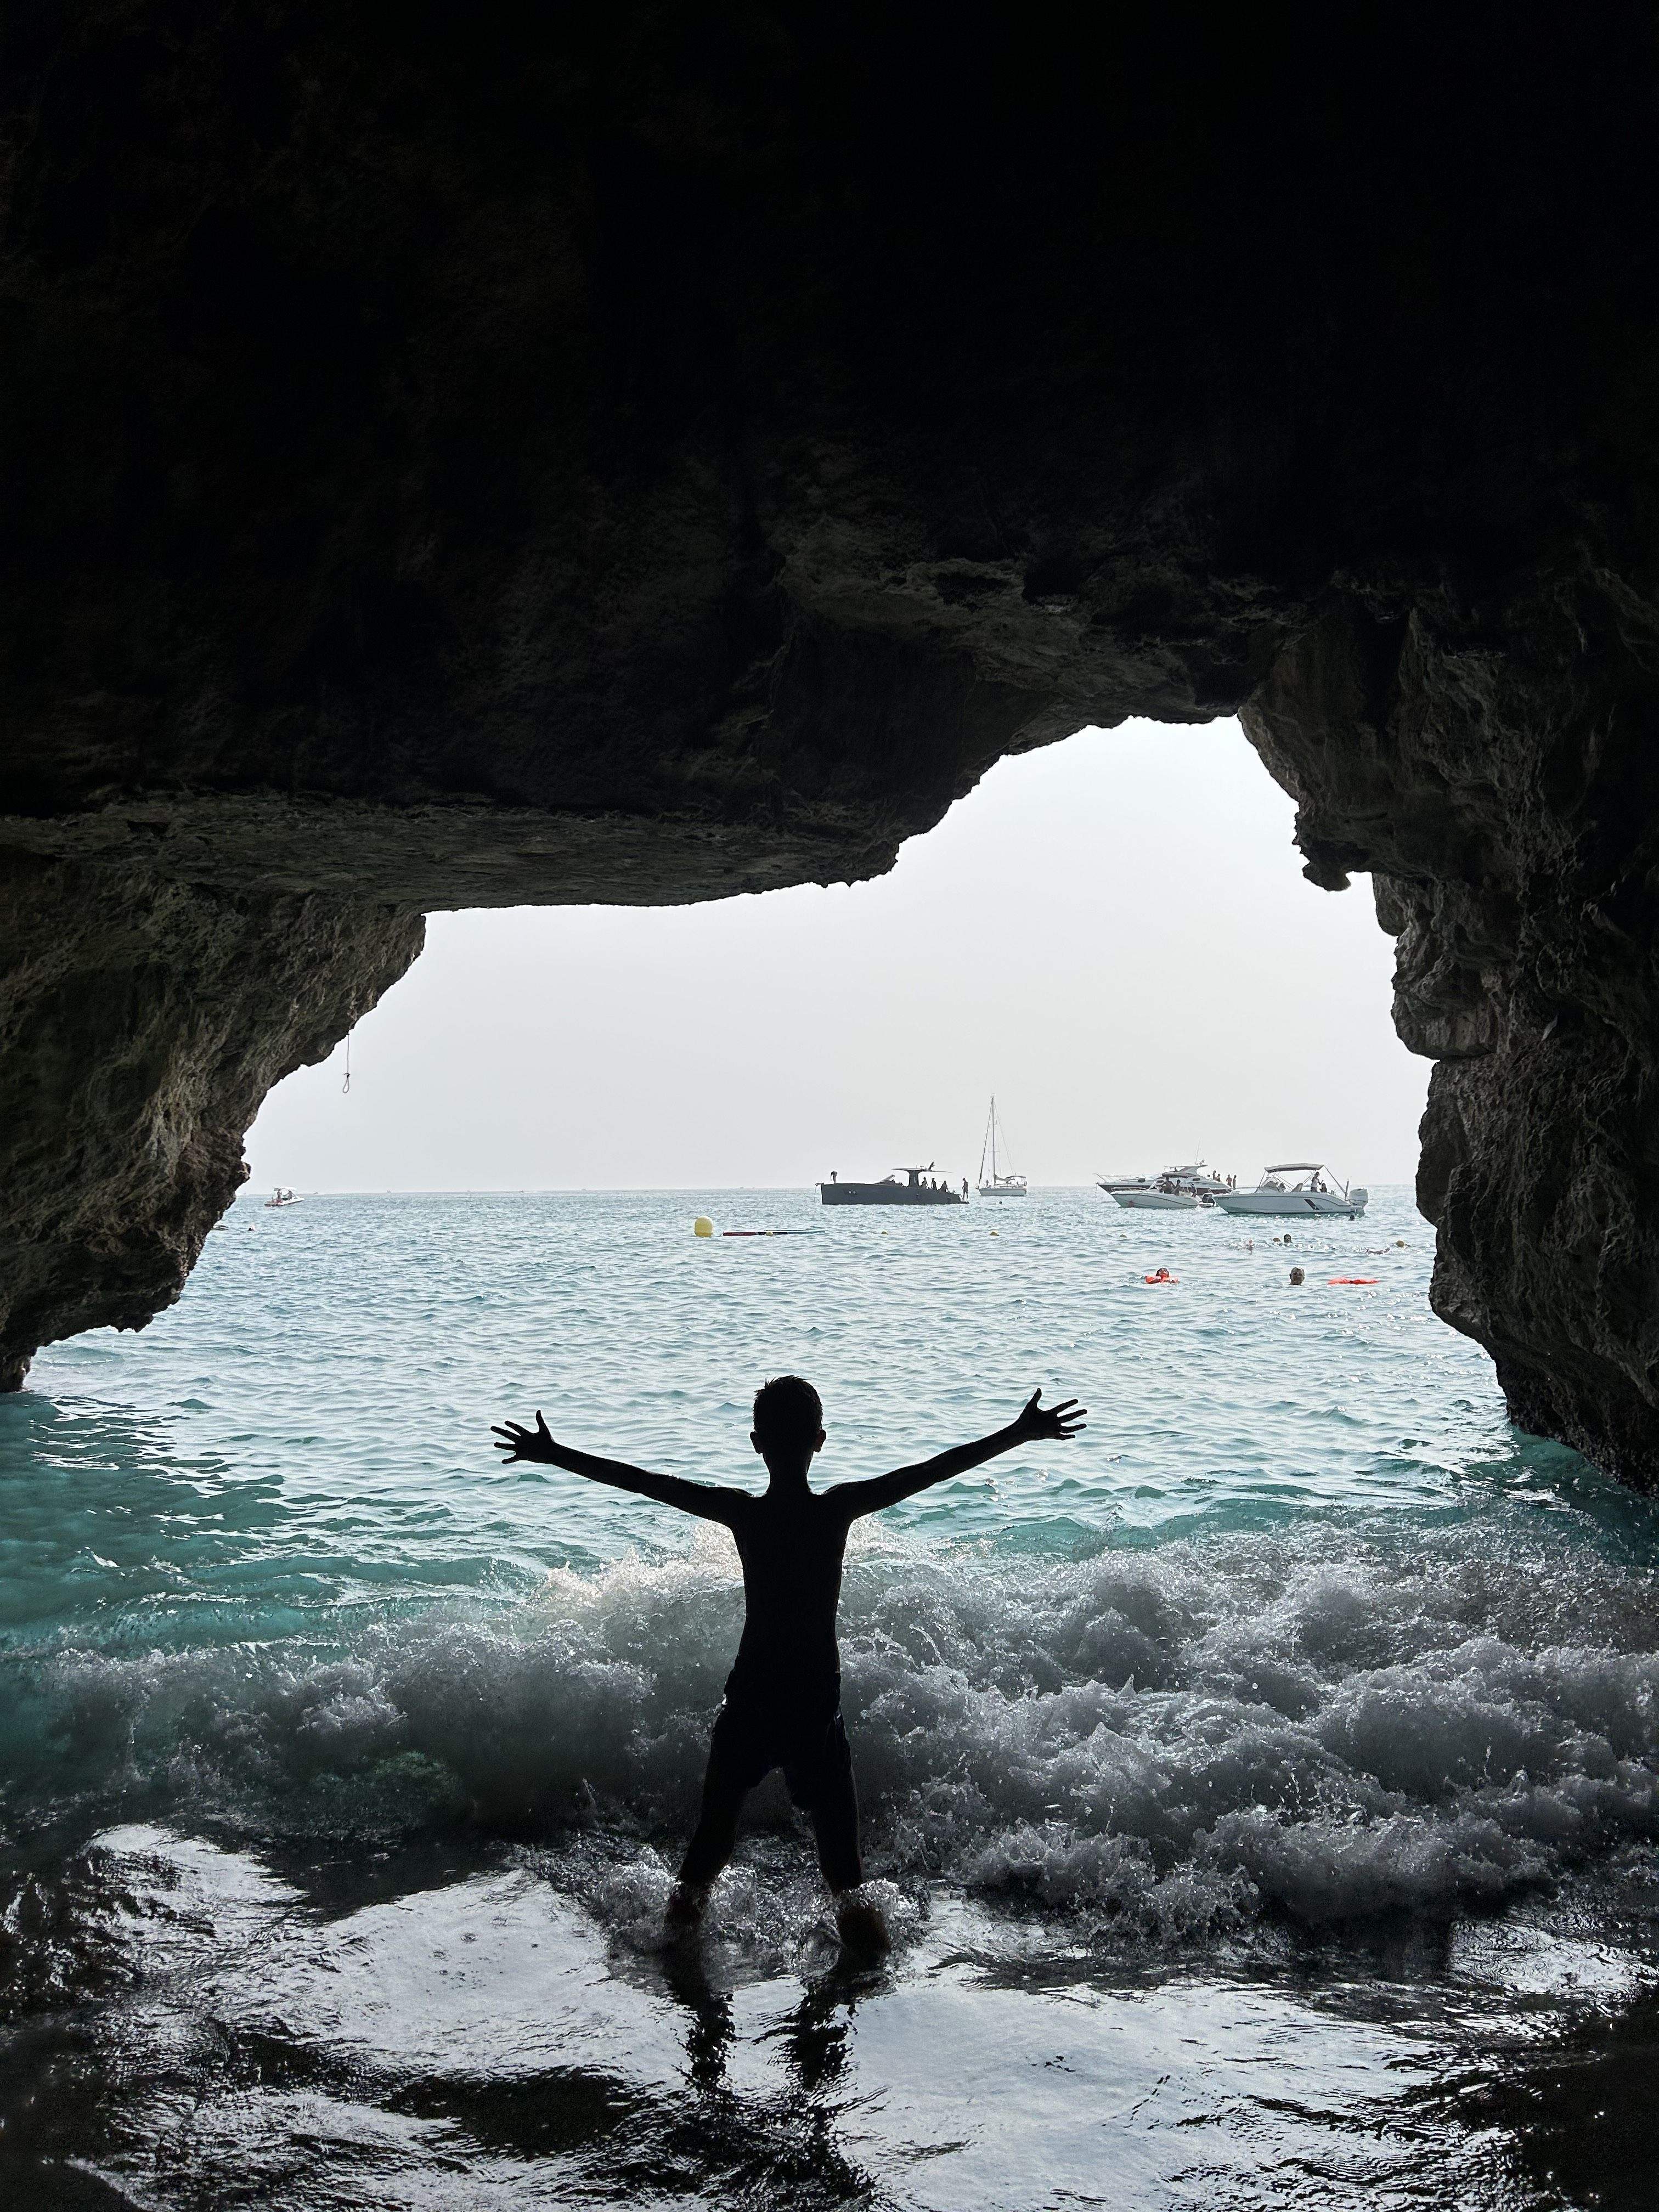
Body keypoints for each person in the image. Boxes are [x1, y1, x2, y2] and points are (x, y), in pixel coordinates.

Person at [490, 1377, 1085, 1947]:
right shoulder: (836, 1511)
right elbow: (929, 1472)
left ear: (756, 1445)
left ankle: (677, 1957)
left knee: (705, 1856)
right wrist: (1016, 1434)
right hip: (813, 1704)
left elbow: (647, 1482)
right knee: (845, 1877)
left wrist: (556, 1454)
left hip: (751, 1696)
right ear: (820, 1441)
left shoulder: (746, 1514)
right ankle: (865, 1976)